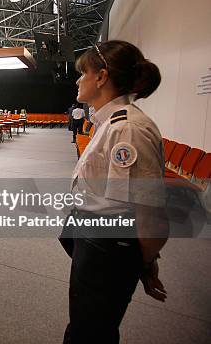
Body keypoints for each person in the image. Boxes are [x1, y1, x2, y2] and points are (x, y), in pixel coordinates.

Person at [62, 40, 167, 343]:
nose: (78, 80)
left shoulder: (126, 129)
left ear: (101, 77)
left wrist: (144, 263)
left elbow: (147, 213)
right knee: (87, 322)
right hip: (96, 239)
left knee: (90, 332)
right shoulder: (108, 122)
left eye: (83, 73)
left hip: (108, 249)